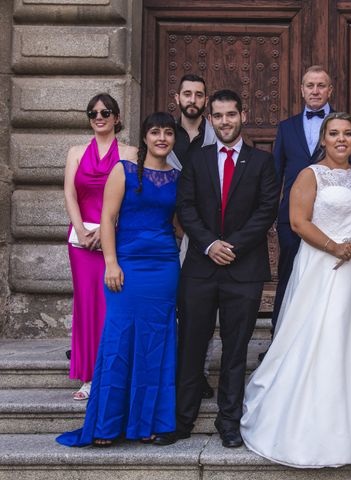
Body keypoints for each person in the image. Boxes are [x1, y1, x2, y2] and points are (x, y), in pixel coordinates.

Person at [241, 112, 351, 468]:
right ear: (323, 139)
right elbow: (297, 222)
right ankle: (317, 428)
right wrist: (335, 247)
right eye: (333, 134)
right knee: (322, 338)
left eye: (348, 134)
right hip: (325, 266)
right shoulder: (310, 174)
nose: (341, 139)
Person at [155, 89, 279, 447]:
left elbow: (266, 211)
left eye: (231, 115)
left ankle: (229, 422)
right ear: (211, 119)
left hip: (245, 269)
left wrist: (233, 246)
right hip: (199, 268)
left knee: (235, 349)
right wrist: (210, 244)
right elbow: (186, 206)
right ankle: (182, 419)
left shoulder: (261, 162)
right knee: (191, 346)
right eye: (218, 116)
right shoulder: (198, 159)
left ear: (242, 116)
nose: (225, 121)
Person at [57, 112, 181, 447]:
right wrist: (111, 262)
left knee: (157, 344)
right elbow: (108, 219)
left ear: (173, 140)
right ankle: (107, 425)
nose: (161, 139)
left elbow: (181, 224)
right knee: (119, 340)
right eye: (155, 132)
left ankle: (151, 422)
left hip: (164, 266)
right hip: (126, 264)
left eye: (168, 133)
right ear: (144, 137)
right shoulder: (123, 170)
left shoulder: (177, 177)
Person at [269, 66, 351, 341]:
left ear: (330, 90)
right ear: (301, 90)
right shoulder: (286, 128)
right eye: (310, 85)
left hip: (336, 223)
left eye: (321, 85)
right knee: (289, 279)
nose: (315, 91)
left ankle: (325, 340)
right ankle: (280, 341)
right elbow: (277, 175)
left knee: (328, 281)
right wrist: (272, 218)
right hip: (293, 219)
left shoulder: (349, 127)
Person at [63, 93, 136, 401]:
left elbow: (131, 196)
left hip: (116, 238)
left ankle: (115, 372)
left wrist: (107, 230)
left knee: (114, 306)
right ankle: (89, 376)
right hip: (81, 242)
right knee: (87, 306)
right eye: (93, 112)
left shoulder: (131, 153)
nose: (99, 116)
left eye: (106, 111)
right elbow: (69, 193)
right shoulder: (76, 152)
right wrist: (81, 231)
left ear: (117, 117)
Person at [167, 73, 217, 400]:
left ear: (205, 100)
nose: (193, 100)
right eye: (188, 94)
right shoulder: (164, 135)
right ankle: (170, 368)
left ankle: (198, 371)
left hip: (201, 233)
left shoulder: (214, 138)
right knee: (169, 304)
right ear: (177, 98)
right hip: (166, 231)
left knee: (199, 307)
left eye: (199, 95)